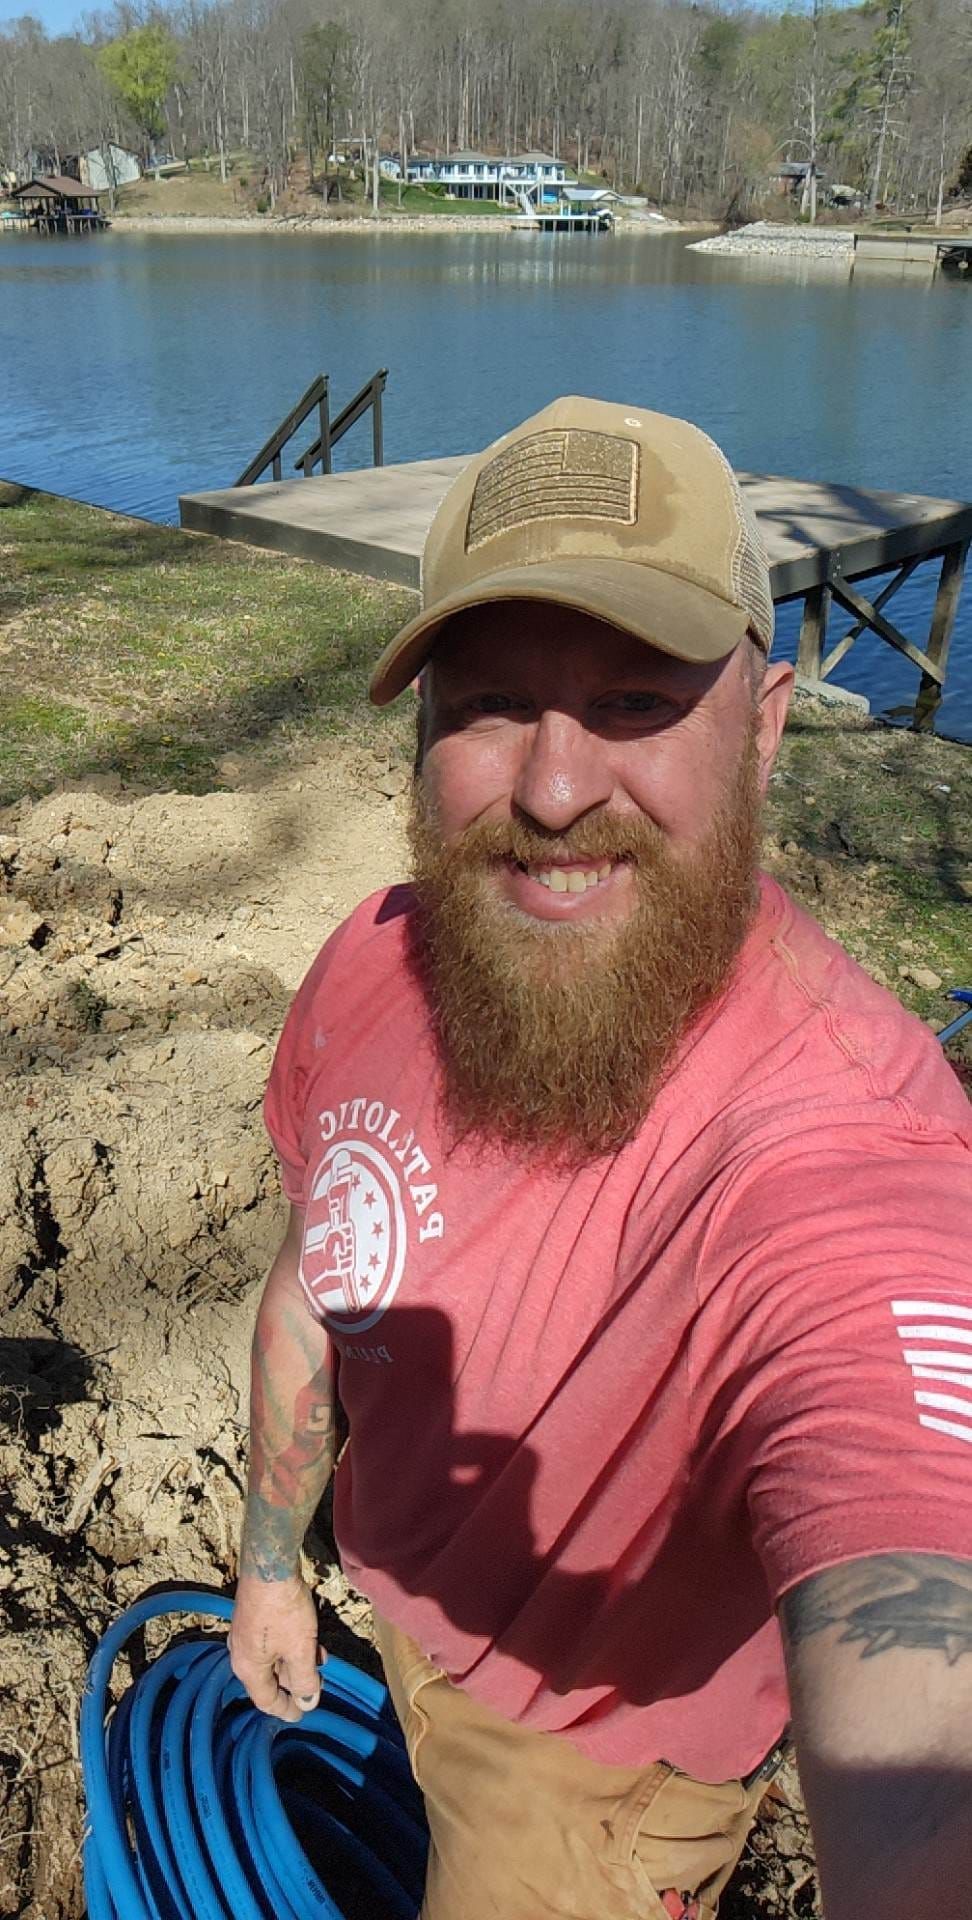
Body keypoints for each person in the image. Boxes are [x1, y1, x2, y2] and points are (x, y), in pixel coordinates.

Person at [229, 397, 972, 1920]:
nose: (554, 790)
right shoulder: (372, 963)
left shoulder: (845, 1140)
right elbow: (311, 1289)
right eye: (493, 702)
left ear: (764, 726)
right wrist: (269, 1564)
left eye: (636, 700)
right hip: (396, 1625)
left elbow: (907, 1548)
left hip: (589, 1794)